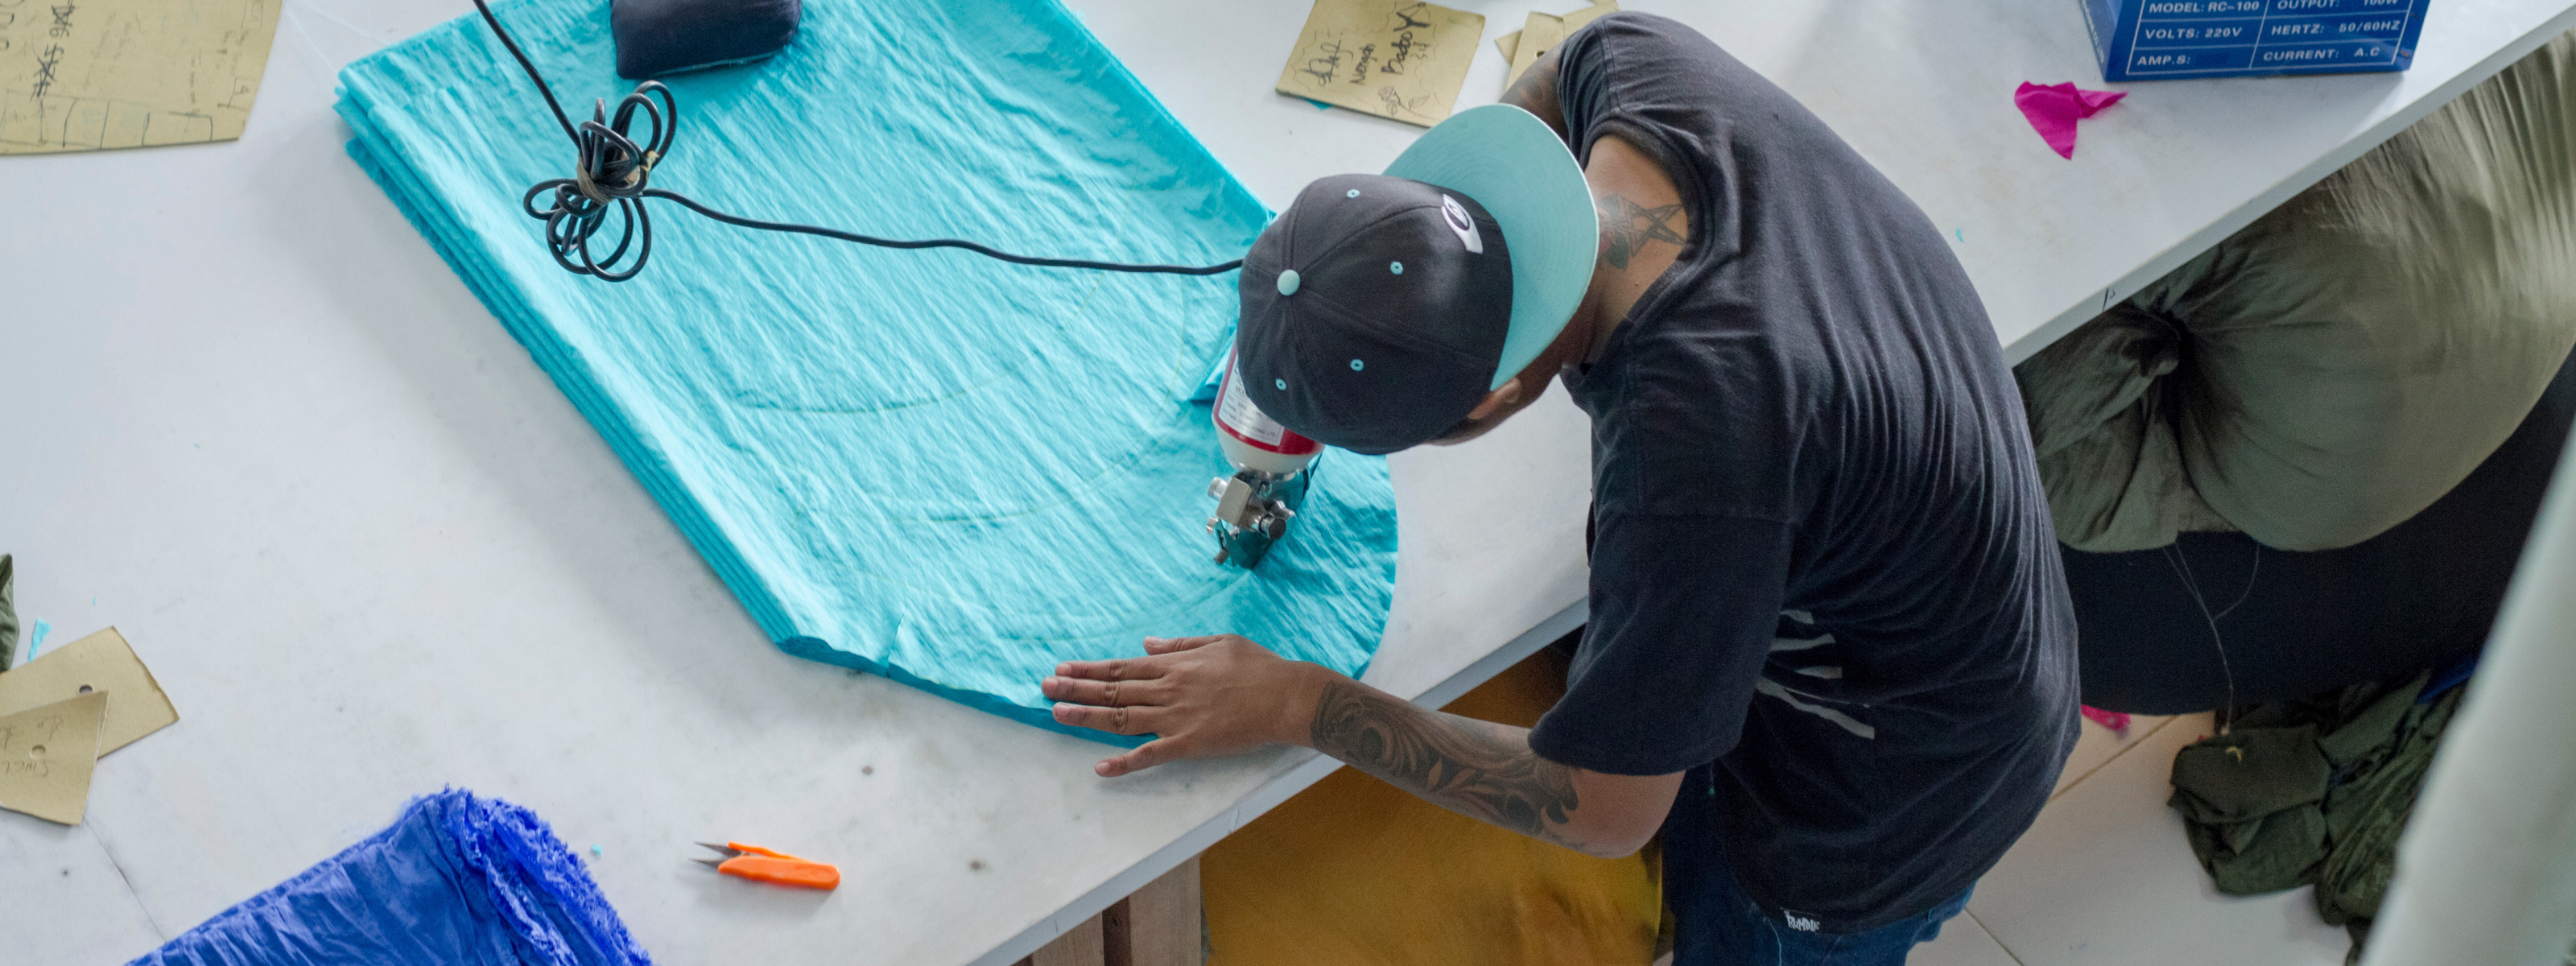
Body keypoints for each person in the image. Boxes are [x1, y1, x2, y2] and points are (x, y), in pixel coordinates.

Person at [1038, 14, 2078, 964]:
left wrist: (1296, 702)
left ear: (1493, 401)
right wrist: (1386, 303)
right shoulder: (1634, 64)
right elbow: (1538, 92)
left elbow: (1606, 807)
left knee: (1739, 918)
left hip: (1897, 781)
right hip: (1931, 571)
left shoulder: (1695, 464)